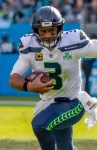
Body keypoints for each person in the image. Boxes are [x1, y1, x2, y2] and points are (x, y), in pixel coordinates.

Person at [9, 6, 97, 150]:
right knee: (64, 148)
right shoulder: (29, 46)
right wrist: (29, 86)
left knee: (40, 125)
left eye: (51, 30)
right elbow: (14, 78)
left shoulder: (73, 41)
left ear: (59, 29)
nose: (48, 35)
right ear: (36, 31)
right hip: (49, 105)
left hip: (72, 102)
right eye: (43, 31)